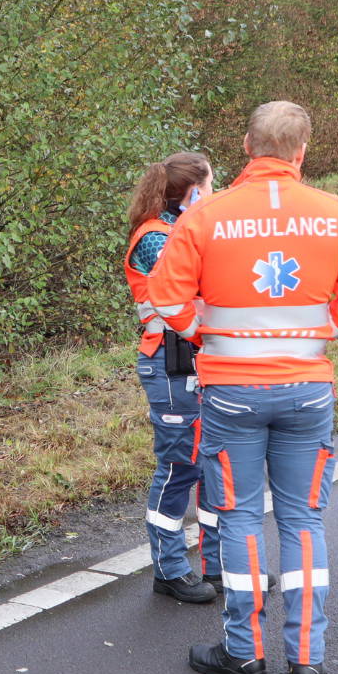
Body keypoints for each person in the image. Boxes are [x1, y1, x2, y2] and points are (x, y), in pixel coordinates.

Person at [149, 101, 338, 674]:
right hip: (307, 389)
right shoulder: (335, 214)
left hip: (231, 391)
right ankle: (307, 660)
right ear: (303, 150)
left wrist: (208, 335)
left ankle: (244, 655)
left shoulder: (209, 217)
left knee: (240, 518)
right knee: (305, 519)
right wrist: (319, 330)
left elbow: (165, 297)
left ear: (247, 146)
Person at [123, 152, 221, 604]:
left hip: (201, 361)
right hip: (170, 362)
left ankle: (216, 565)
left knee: (211, 465)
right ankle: (169, 567)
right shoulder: (156, 237)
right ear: (193, 192)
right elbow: (195, 288)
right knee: (180, 465)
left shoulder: (184, 232)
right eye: (210, 186)